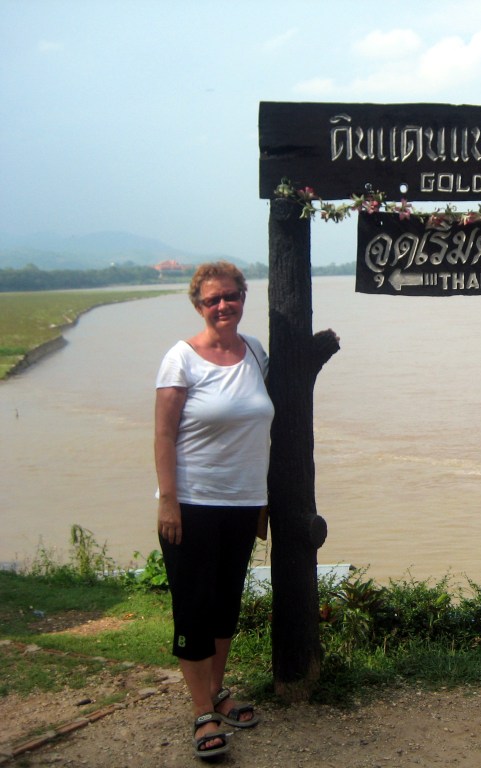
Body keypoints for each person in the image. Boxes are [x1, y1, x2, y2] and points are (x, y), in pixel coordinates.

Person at [154, 261, 273, 759]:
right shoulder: (181, 359)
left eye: (231, 296)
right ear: (199, 306)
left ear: (244, 297)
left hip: (243, 503)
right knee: (195, 606)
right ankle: (202, 712)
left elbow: (260, 430)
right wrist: (168, 500)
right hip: (193, 504)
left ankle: (217, 691)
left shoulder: (255, 352)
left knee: (226, 603)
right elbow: (163, 433)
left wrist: (263, 502)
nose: (223, 305)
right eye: (212, 300)